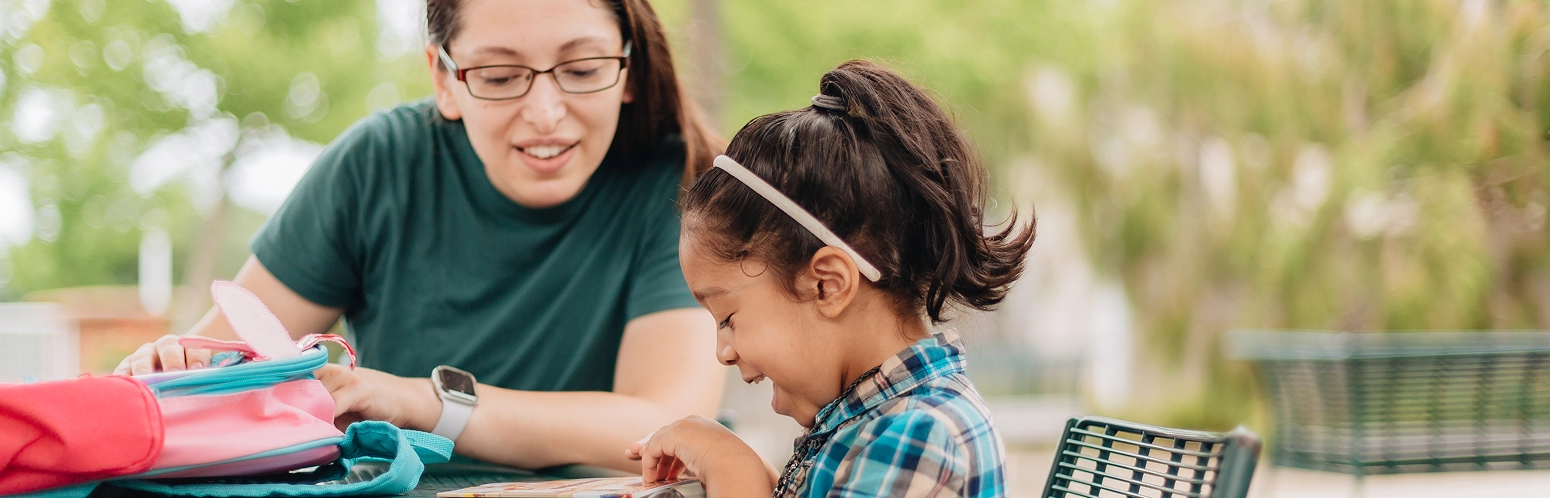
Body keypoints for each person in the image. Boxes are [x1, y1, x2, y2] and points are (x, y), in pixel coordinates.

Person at [113, 0, 726, 472]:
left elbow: (666, 423)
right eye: (499, 75)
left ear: (629, 69)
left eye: (583, 69)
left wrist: (426, 404)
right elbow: (224, 373)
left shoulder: (680, 186)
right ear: (444, 79)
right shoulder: (378, 166)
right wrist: (177, 370)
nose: (545, 111)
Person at [625, 60, 1034, 497]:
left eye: (727, 317)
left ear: (828, 285)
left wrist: (730, 465)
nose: (723, 353)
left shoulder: (919, 436)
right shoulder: (872, 424)